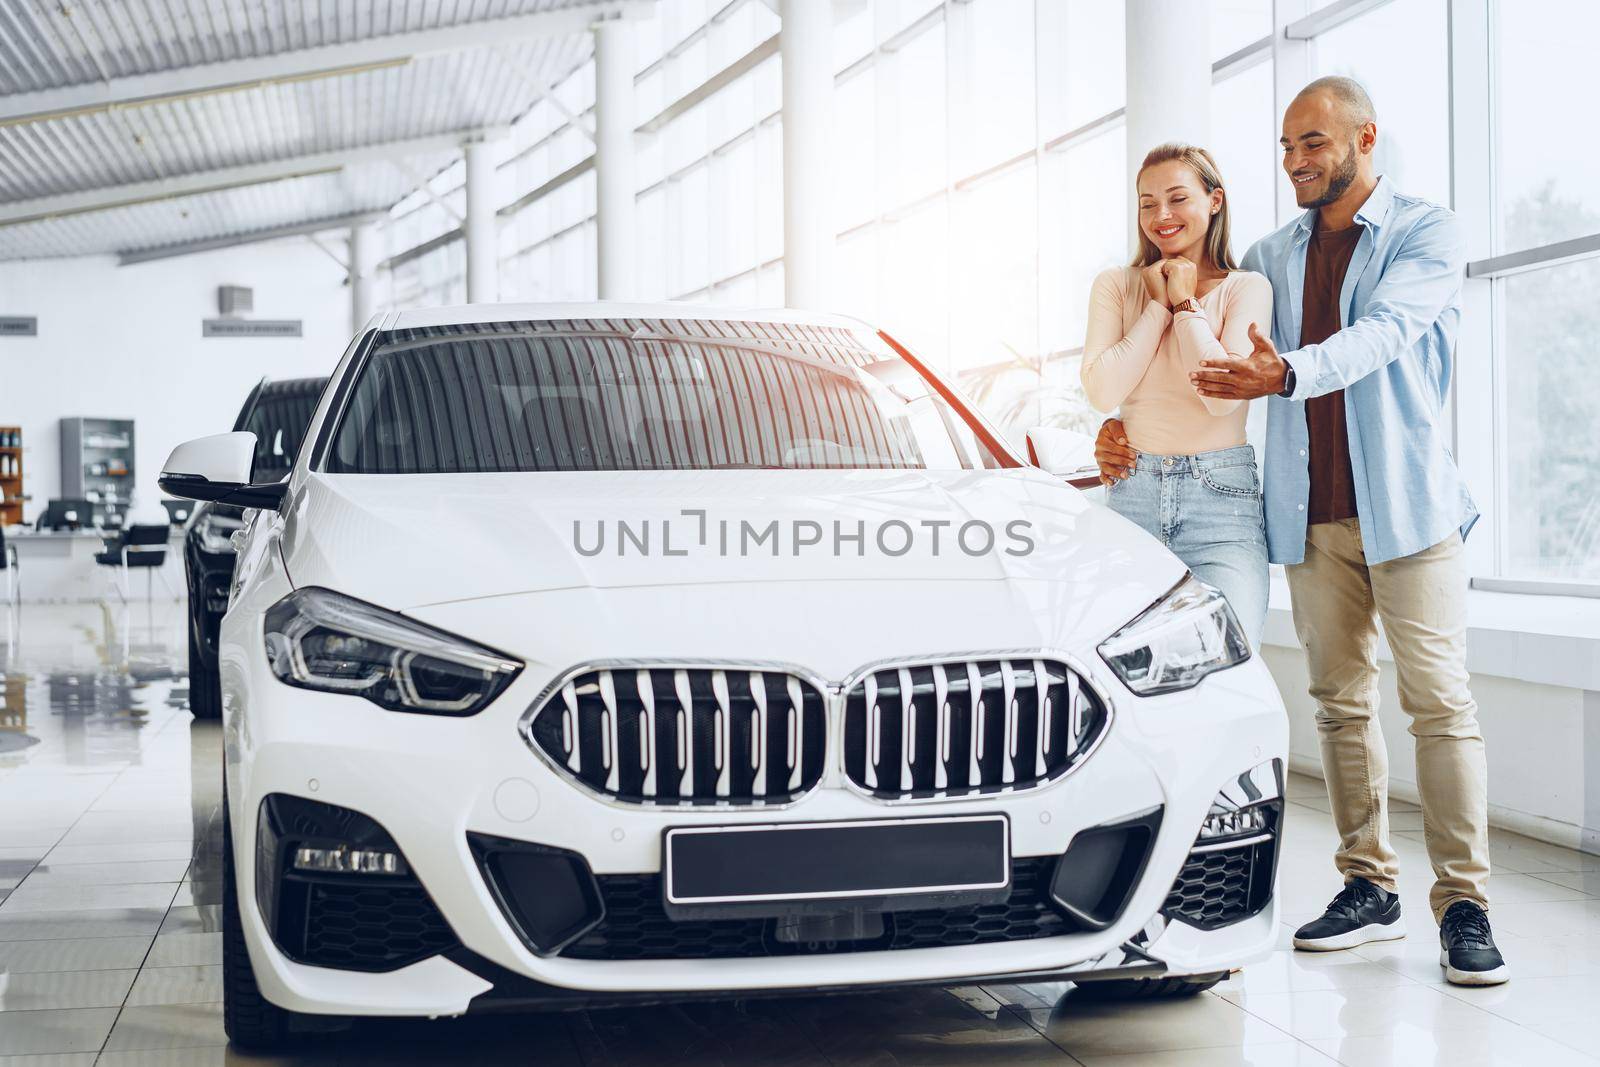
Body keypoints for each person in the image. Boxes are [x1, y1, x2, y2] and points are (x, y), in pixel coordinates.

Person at [1095, 77, 1506, 986]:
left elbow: (1384, 334)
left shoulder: (1423, 232)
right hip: (1308, 511)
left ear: (1365, 137)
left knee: (1439, 703)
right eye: (1285, 147)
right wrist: (1121, 422)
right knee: (1339, 702)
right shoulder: (1275, 253)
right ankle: (1369, 884)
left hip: (1409, 507)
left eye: (1312, 144)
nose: (1295, 162)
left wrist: (1284, 378)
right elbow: (1198, 342)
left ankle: (1465, 901)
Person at [1080, 144, 1273, 646]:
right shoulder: (1117, 286)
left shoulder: (1246, 288)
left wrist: (1186, 301)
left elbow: (1221, 398)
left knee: (1225, 653)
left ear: (1214, 202)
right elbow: (1103, 390)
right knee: (1129, 669)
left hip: (1221, 508)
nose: (1161, 216)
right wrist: (1157, 307)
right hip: (1132, 500)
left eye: (1177, 198)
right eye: (1147, 203)